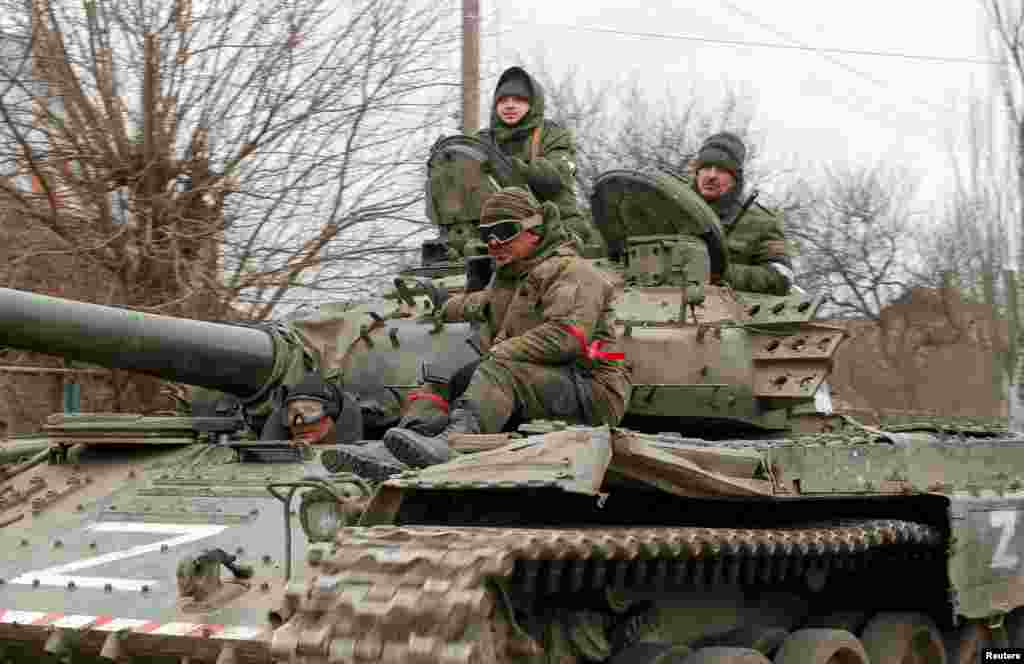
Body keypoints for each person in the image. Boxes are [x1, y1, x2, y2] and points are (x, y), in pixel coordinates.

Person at [380, 187, 632, 469]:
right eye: (486, 235)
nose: (494, 243)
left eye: (504, 231)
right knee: (443, 371)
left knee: (497, 367)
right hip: (539, 379)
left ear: (534, 231)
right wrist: (439, 306)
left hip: (592, 390)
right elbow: (479, 303)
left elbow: (567, 336)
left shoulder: (574, 272)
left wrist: (498, 353)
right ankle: (409, 440)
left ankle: (455, 440)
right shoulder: (510, 279)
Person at [478, 66, 600, 250]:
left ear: (532, 104)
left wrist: (515, 169)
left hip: (556, 225)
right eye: (503, 100)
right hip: (494, 231)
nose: (510, 105)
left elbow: (556, 177)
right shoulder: (483, 140)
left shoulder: (552, 134)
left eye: (518, 100)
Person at [690, 132, 794, 295]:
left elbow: (781, 276)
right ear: (697, 173)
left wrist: (723, 275)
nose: (711, 175)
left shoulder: (762, 222)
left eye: (721, 170)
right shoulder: (673, 208)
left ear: (735, 179)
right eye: (705, 168)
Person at [263, 371, 409, 480]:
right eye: (292, 414)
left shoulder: (374, 461)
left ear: (333, 416)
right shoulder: (264, 464)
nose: (299, 422)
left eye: (310, 411)